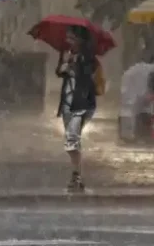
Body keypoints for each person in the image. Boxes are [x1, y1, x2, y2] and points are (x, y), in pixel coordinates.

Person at [56, 25, 98, 192]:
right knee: (72, 139)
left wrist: (74, 64)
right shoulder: (66, 54)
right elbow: (59, 72)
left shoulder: (88, 57)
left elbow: (88, 76)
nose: (69, 41)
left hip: (82, 104)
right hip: (67, 102)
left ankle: (77, 176)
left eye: (72, 38)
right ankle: (77, 175)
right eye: (68, 38)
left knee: (72, 139)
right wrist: (64, 64)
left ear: (80, 40)